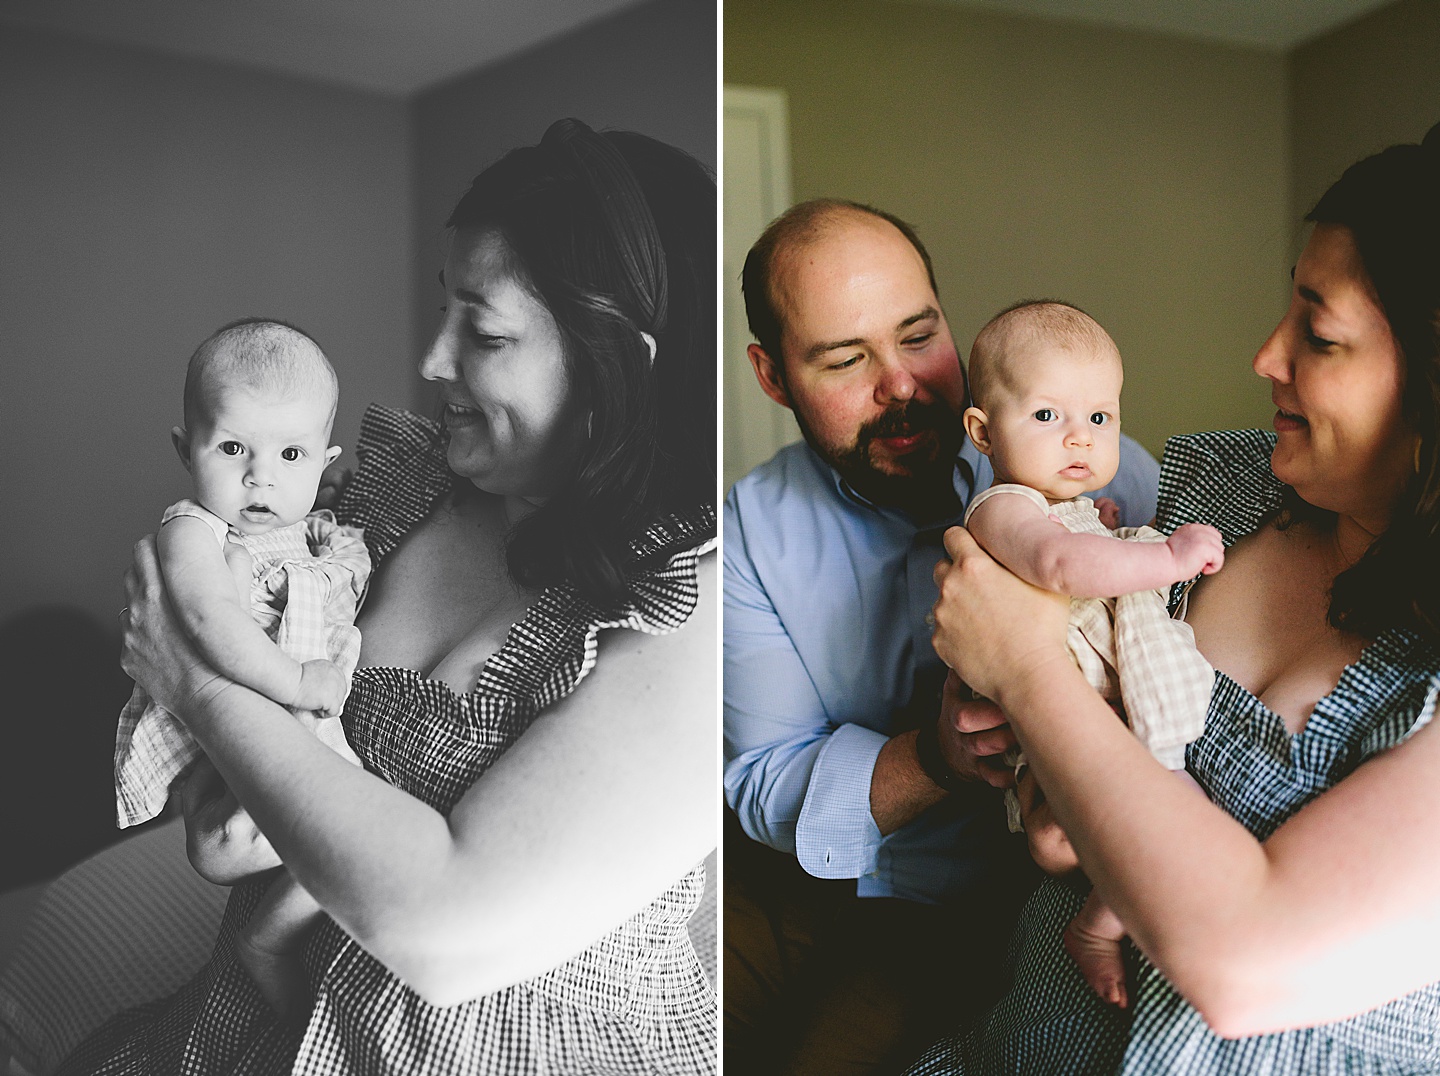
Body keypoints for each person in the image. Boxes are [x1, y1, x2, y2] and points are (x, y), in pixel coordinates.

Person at [63, 117, 717, 1075]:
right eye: (443, 307)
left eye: (484, 332)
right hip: (249, 1023)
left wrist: (199, 681)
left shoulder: (691, 613)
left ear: (619, 364)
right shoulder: (395, 497)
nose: (432, 362)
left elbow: (446, 932)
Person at [910, 123, 1440, 1075]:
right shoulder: (1220, 483)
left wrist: (1027, 671)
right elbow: (1076, 666)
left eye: (1317, 334)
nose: (1265, 356)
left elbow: (1246, 960)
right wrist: (1003, 732)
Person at [723, 199, 1161, 1074]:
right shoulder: (746, 537)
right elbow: (765, 787)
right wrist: (938, 758)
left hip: (1044, 891)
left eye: (919, 334)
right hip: (827, 883)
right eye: (846, 359)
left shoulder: (1109, 479)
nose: (903, 385)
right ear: (772, 377)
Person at [960, 299, 1221, 1008]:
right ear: (983, 432)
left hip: (1102, 716)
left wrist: (1102, 528)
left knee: (1160, 824)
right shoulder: (1002, 509)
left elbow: (1081, 548)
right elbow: (1063, 567)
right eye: (1048, 416)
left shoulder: (1074, 510)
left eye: (1099, 418)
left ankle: (1100, 923)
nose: (1079, 438)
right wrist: (1168, 557)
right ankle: (1098, 928)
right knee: (1161, 825)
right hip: (1066, 715)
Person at [111, 318, 371, 1021]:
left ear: (325, 460)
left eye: (291, 453)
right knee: (351, 827)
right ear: (185, 449)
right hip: (228, 768)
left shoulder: (313, 530)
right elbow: (205, 621)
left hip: (287, 742)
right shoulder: (192, 530)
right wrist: (297, 685)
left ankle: (267, 941)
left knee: (363, 828)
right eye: (233, 448)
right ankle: (266, 943)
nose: (261, 475)